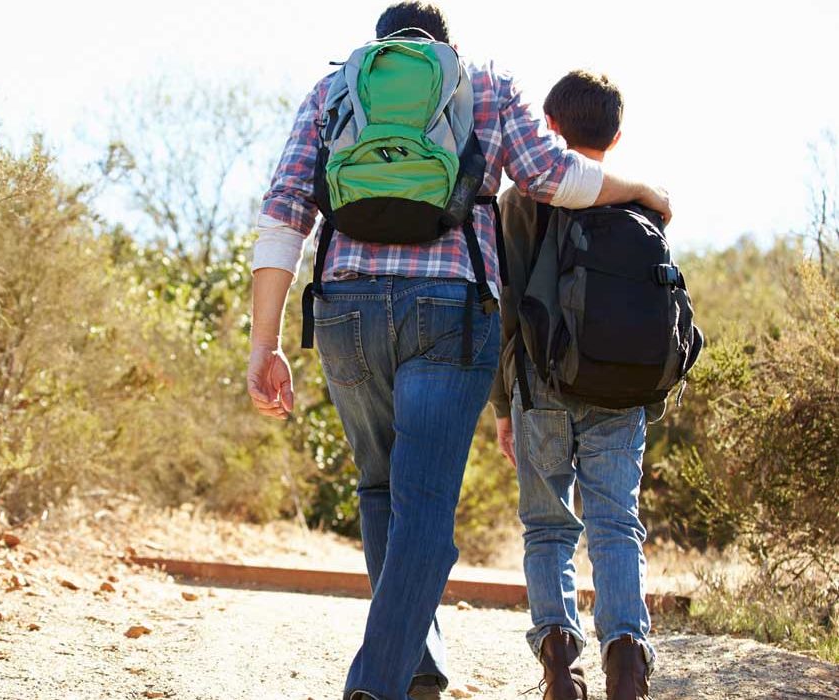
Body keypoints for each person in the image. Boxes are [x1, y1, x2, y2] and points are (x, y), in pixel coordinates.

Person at [245, 4, 672, 700]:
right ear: (444, 47)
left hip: (346, 308)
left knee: (380, 488)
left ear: (378, 49)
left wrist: (263, 343)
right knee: (424, 504)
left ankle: (416, 668)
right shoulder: (483, 84)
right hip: (450, 309)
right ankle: (380, 683)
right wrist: (642, 191)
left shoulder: (333, 91)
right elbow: (550, 176)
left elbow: (285, 208)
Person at [490, 70, 655, 700]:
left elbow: (507, 306)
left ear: (549, 129)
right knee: (617, 523)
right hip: (621, 392)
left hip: (542, 388)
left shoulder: (522, 200)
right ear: (615, 137)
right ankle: (626, 659)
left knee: (548, 527)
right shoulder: (640, 202)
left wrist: (504, 405)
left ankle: (560, 666)